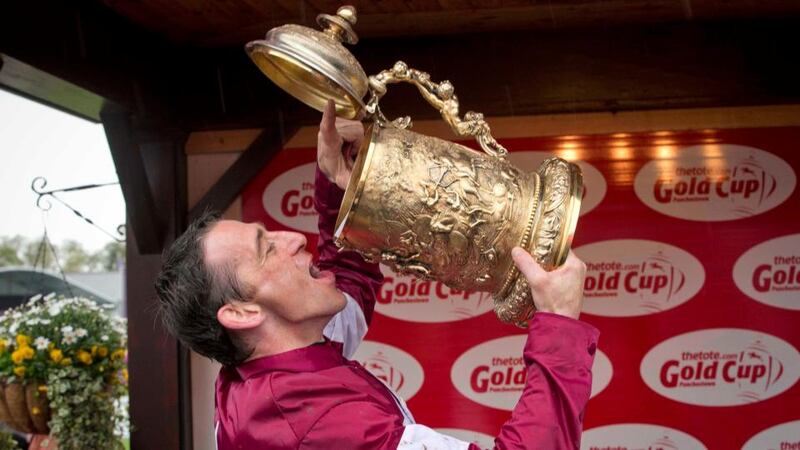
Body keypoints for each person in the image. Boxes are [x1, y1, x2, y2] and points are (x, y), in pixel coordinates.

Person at [155, 100, 599, 449]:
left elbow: (347, 280)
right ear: (241, 312)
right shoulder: (310, 423)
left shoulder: (276, 360)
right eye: (266, 247)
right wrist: (559, 325)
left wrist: (345, 187)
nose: (292, 238)